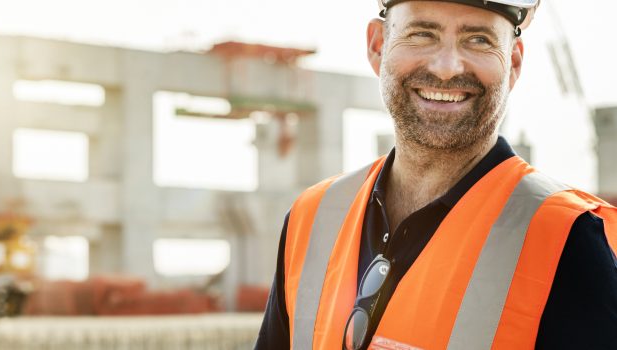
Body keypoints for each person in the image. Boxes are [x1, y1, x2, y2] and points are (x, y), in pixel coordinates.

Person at [254, 0, 617, 349]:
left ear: (514, 64)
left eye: (478, 39)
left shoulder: (566, 240)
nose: (447, 67)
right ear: (378, 46)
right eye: (422, 34)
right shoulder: (312, 219)